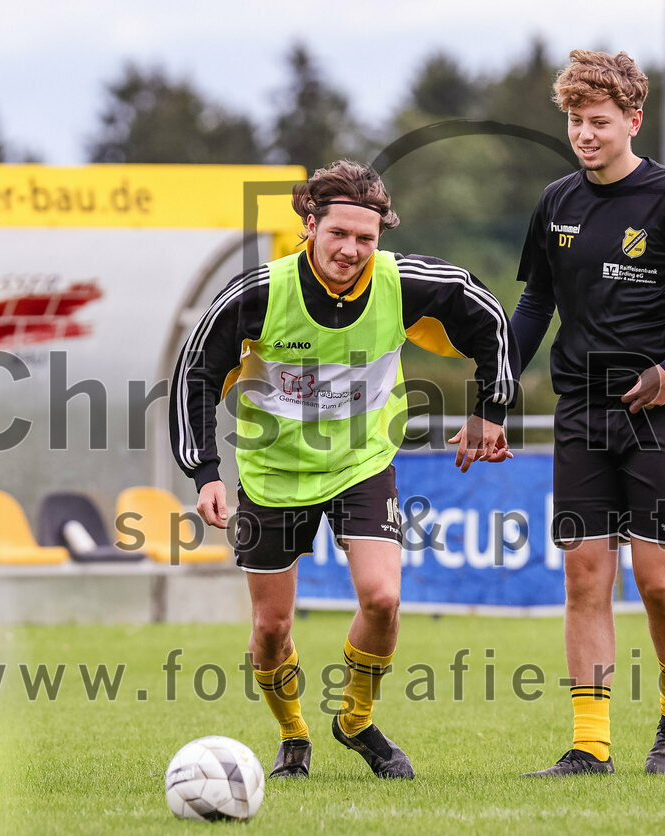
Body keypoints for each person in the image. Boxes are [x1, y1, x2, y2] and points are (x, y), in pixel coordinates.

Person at [169, 160, 517, 780]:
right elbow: (196, 373)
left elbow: (487, 315)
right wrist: (206, 472)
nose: (352, 250)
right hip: (273, 471)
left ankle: (355, 720)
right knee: (271, 627)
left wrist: (490, 411)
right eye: (340, 235)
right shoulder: (257, 293)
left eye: (367, 238)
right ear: (310, 226)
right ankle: (293, 735)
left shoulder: (401, 281)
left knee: (382, 599)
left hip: (362, 460)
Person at [511, 50, 665, 776]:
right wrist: (492, 395)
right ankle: (590, 746)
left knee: (658, 583)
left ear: (633, 121)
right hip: (581, 409)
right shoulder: (555, 203)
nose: (584, 134)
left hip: (661, 412)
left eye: (599, 122)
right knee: (585, 577)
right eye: (575, 122)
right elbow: (534, 305)